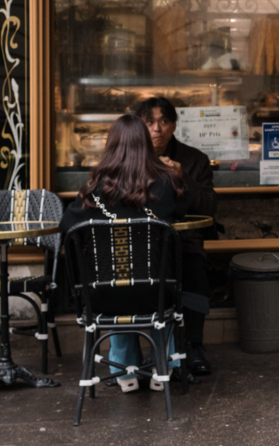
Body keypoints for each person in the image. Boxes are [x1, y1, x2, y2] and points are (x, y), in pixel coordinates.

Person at [61, 114, 187, 393]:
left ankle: (123, 369)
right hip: (155, 293)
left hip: (101, 297)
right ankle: (163, 366)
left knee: (117, 277)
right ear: (145, 143)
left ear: (112, 145)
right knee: (154, 278)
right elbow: (180, 212)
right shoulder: (166, 183)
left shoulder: (94, 188)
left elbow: (67, 228)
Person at [135, 95, 217, 377]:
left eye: (163, 121)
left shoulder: (195, 159)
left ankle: (193, 346)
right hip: (141, 244)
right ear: (140, 127)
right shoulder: (131, 158)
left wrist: (183, 179)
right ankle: (140, 352)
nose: (156, 129)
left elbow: (209, 207)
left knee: (194, 268)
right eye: (149, 122)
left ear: (173, 126)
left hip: (184, 241)